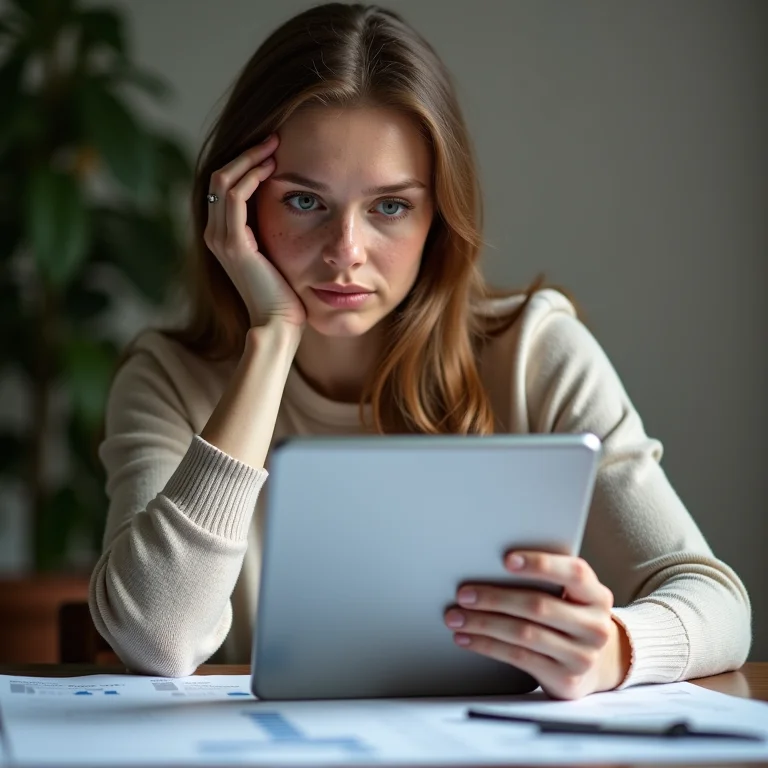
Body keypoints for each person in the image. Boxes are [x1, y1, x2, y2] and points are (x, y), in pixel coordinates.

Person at [88, 2, 751, 698]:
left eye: (390, 206)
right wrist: (272, 339)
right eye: (305, 201)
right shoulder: (168, 379)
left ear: (439, 216)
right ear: (239, 207)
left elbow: (718, 602)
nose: (345, 252)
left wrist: (613, 648)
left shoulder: (533, 354)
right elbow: (155, 637)